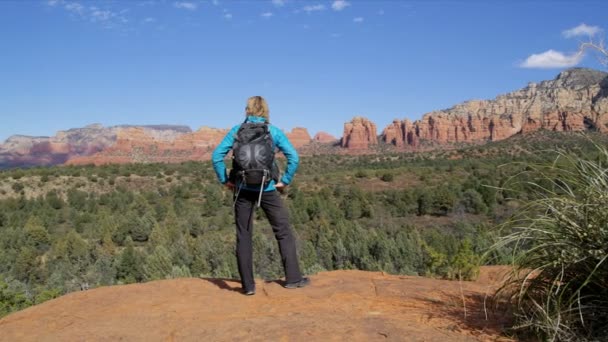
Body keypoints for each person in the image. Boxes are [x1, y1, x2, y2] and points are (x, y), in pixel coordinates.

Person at [212, 96, 310, 295]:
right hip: (267, 189)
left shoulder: (236, 131)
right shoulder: (272, 131)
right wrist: (285, 180)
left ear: (247, 110)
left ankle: (248, 287)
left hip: (242, 189)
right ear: (266, 111)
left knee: (244, 236)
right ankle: (293, 279)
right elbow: (294, 157)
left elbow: (216, 157)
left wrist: (226, 181)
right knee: (282, 231)